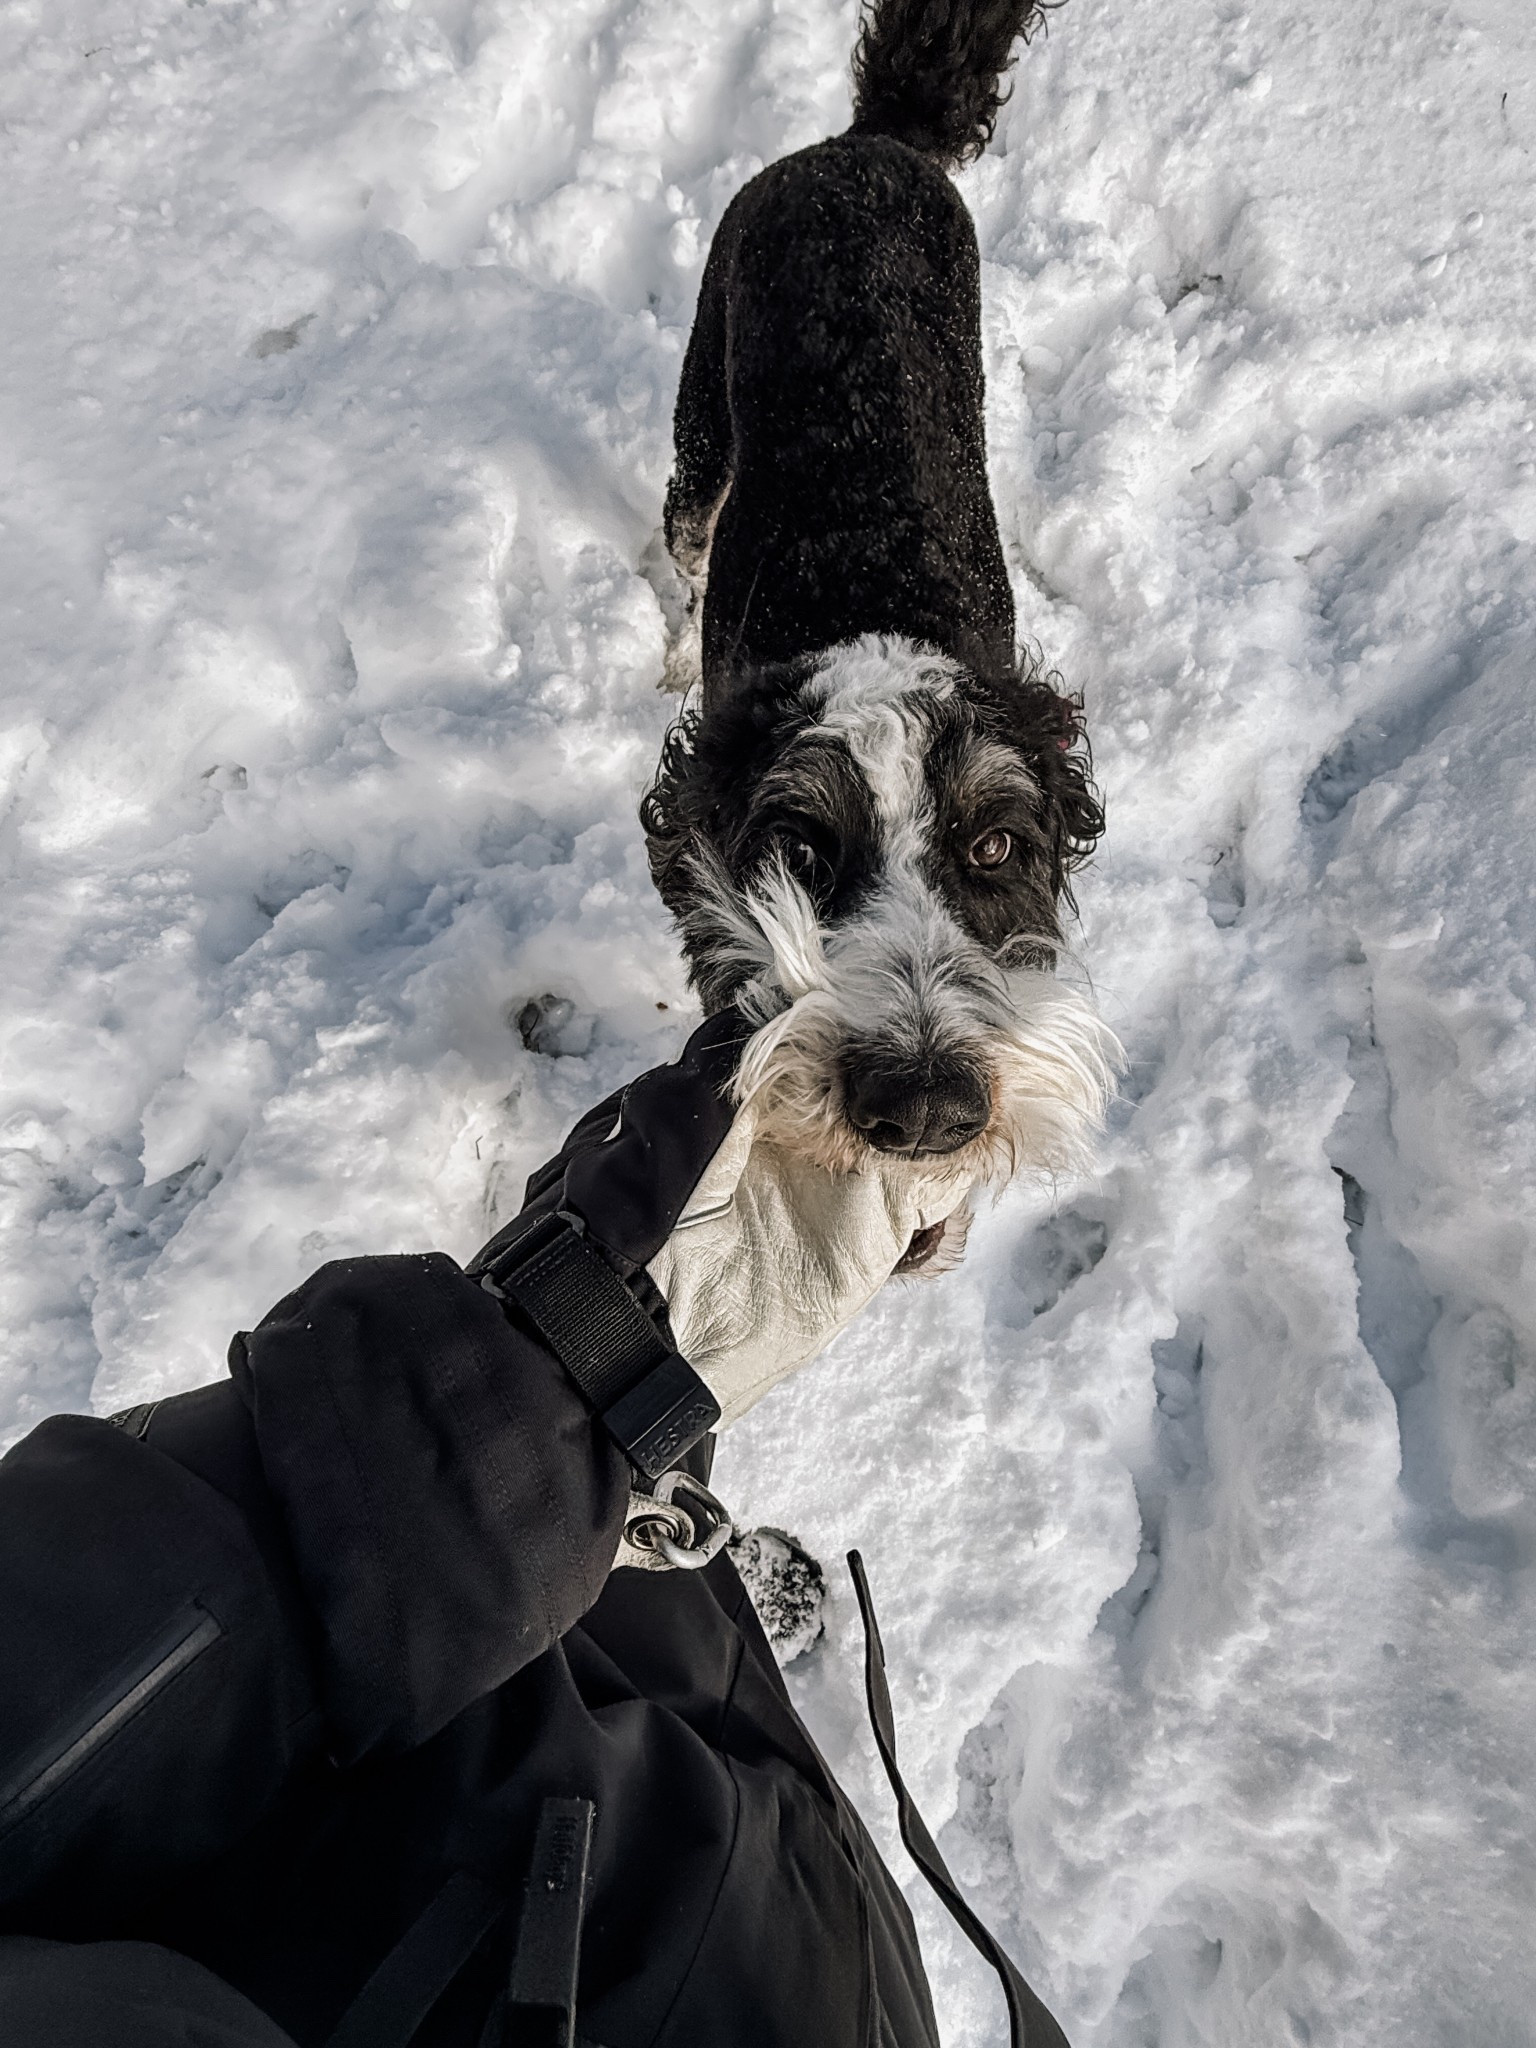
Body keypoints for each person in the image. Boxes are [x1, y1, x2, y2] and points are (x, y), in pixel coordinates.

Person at [0, 1014, 1069, 2048]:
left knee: (611, 1555)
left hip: (544, 1836)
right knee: (618, 1563)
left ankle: (636, 1544)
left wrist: (522, 1399)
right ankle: (634, 1549)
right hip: (624, 1916)